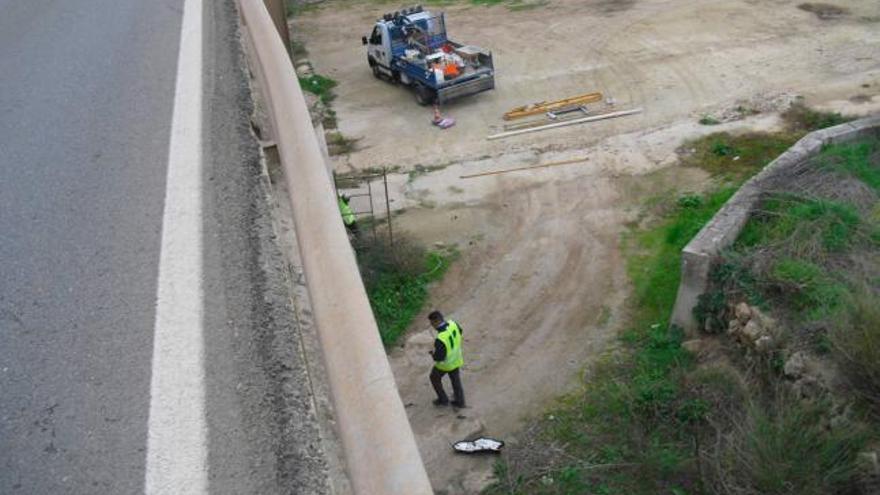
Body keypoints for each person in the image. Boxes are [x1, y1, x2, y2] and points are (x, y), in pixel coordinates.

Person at [428, 310, 465, 408]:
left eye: (432, 323)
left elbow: (439, 358)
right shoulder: (453, 324)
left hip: (446, 364)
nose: (432, 326)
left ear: (436, 321)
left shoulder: (440, 339)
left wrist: (432, 353)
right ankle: (460, 402)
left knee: (434, 377)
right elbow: (460, 332)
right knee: (456, 381)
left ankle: (443, 399)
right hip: (456, 358)